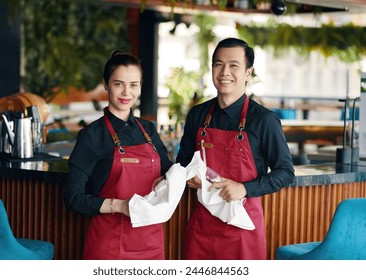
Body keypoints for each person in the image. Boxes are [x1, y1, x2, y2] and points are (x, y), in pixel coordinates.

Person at [176, 38, 295, 260]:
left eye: (234, 65)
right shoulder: (198, 115)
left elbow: (286, 173)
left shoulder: (264, 120)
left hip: (243, 229)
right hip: (202, 228)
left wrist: (244, 188)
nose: (224, 72)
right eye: (218, 64)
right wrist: (188, 176)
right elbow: (182, 162)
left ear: (248, 72)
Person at [64, 51, 173, 260]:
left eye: (134, 85)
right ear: (106, 84)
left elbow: (167, 172)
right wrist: (118, 206)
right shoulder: (92, 136)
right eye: (118, 84)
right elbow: (73, 198)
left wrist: (187, 175)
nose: (126, 92)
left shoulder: (148, 130)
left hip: (151, 243)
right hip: (110, 246)